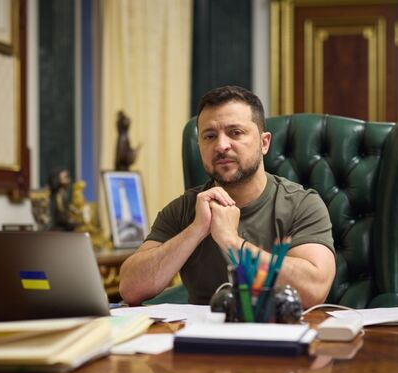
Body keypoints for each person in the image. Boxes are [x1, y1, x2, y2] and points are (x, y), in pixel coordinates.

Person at [118, 85, 336, 307]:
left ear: (264, 143)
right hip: (200, 328)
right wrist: (196, 230)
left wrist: (232, 241)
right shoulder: (184, 209)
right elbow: (130, 288)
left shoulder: (302, 204)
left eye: (235, 133)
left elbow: (314, 290)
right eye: (210, 136)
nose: (221, 146)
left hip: (277, 327)